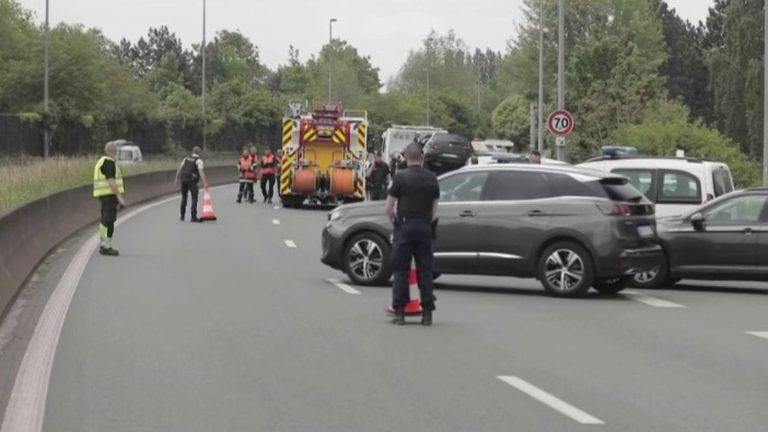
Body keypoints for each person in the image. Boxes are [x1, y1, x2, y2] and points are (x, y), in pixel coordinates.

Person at [386, 142, 440, 326]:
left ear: (406, 157)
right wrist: (427, 222)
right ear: (422, 157)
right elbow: (435, 208)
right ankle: (427, 313)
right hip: (425, 228)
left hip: (405, 227)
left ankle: (400, 312)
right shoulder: (432, 178)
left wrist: (395, 222)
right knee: (425, 270)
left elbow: (389, 207)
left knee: (401, 270)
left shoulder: (400, 178)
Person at [93, 141, 126, 256]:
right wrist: (119, 196)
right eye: (114, 150)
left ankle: (104, 244)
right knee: (108, 220)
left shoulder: (102, 161)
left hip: (104, 194)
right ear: (110, 151)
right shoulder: (109, 162)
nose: (115, 152)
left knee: (105, 220)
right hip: (108, 195)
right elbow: (110, 180)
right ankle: (105, 246)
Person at [174, 146, 208, 222]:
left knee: (184, 197)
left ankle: (182, 216)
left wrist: (176, 178)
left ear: (192, 152)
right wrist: (205, 182)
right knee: (194, 197)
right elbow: (201, 171)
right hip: (191, 180)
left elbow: (180, 168)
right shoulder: (198, 160)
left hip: (183, 179)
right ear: (199, 152)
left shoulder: (186, 158)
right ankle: (193, 217)